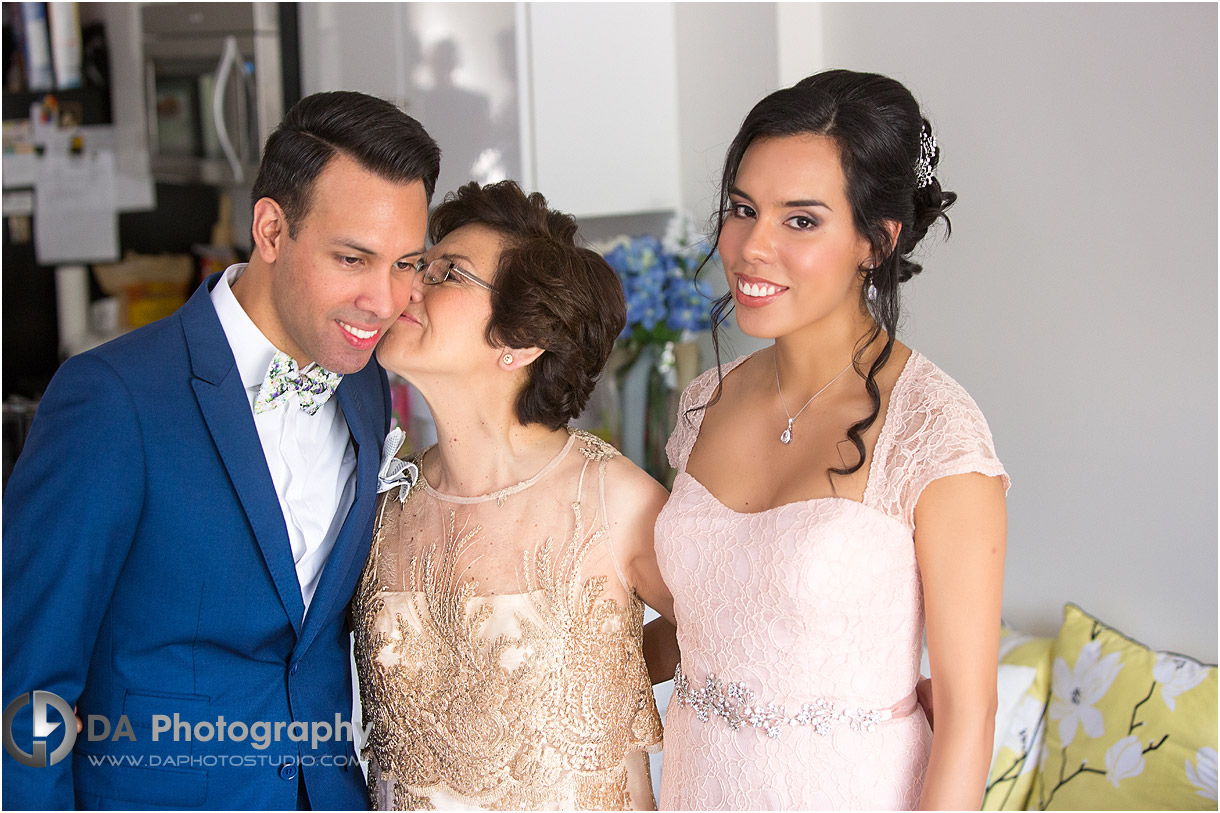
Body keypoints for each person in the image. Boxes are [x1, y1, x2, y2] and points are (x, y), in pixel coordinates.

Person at [2, 91, 439, 809]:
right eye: (353, 258)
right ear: (271, 228)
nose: (384, 299)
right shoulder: (113, 398)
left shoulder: (364, 388)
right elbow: (24, 683)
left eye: (405, 264)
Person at [653, 70, 1009, 810]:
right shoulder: (701, 404)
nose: (752, 246)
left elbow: (968, 716)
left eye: (802, 220)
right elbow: (707, 623)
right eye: (743, 209)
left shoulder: (936, 433)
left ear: (877, 241)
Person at [352, 179, 674, 810]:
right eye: (420, 263)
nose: (406, 284)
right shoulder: (384, 505)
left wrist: (605, 673)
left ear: (521, 340)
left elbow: (728, 633)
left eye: (447, 273)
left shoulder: (615, 501)